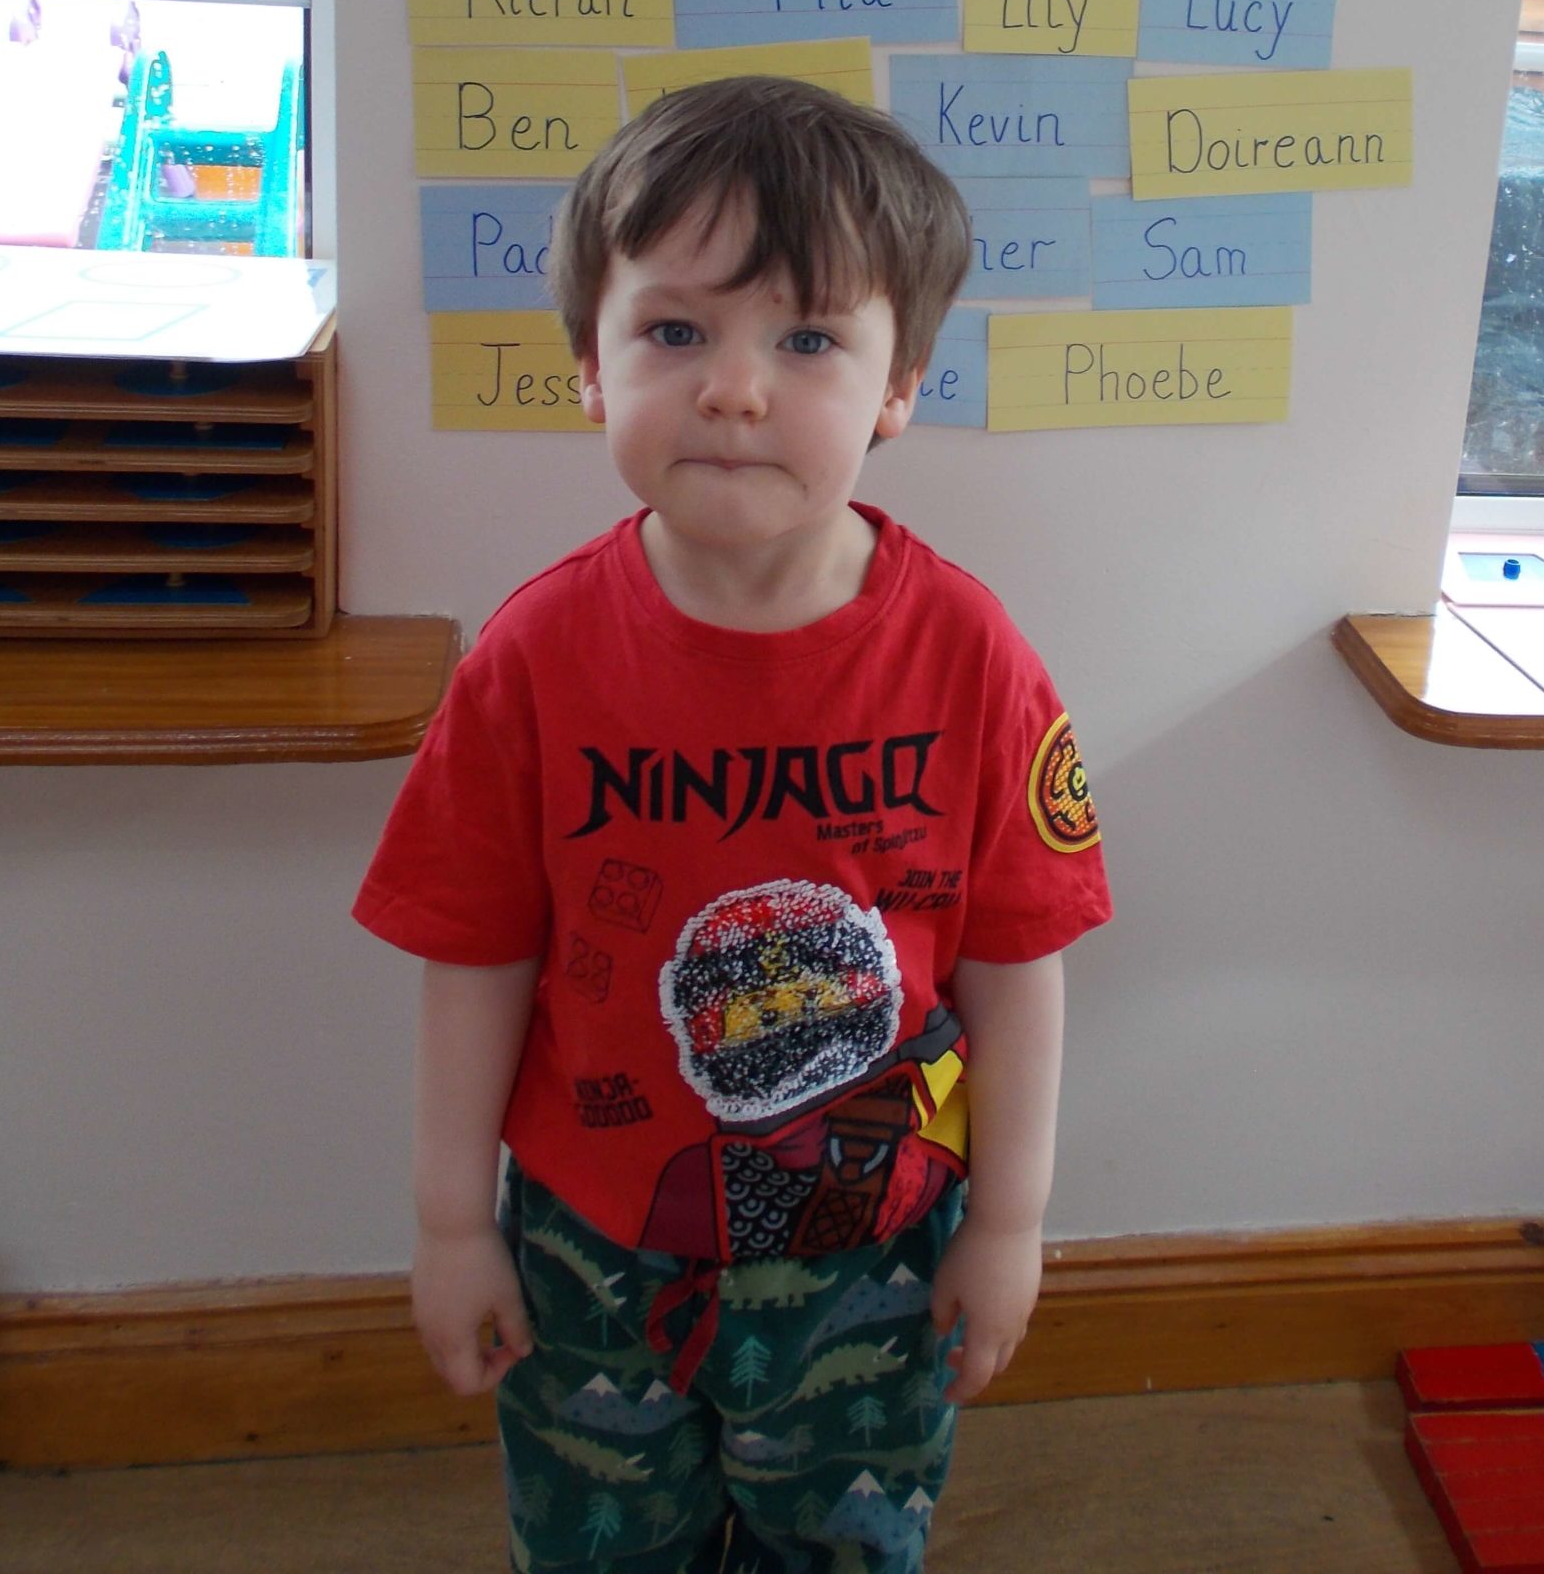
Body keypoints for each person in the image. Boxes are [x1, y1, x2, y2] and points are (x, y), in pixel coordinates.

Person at [354, 75, 1111, 1572]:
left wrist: (1009, 1222)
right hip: (589, 1250)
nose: (737, 389)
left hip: (879, 1246)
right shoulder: (532, 660)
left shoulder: (971, 657)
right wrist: (451, 1225)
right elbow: (475, 957)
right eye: (677, 332)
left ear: (899, 386)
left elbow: (1018, 965)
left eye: (808, 339)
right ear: (593, 365)